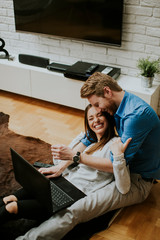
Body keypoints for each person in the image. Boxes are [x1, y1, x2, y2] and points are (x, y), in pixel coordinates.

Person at [16, 72, 160, 240]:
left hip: (135, 180)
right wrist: (62, 166)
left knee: (75, 210)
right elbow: (90, 136)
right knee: (63, 180)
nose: (98, 110)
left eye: (97, 104)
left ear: (107, 91)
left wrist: (76, 157)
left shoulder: (136, 115)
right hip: (121, 169)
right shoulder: (121, 103)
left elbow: (116, 163)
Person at [0, 104, 131, 230]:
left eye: (99, 115)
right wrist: (84, 136)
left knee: (12, 208)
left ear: (108, 117)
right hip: (64, 182)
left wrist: (119, 156)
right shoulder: (89, 144)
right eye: (90, 118)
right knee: (9, 198)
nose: (95, 120)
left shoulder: (115, 144)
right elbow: (61, 160)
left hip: (74, 195)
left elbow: (124, 188)